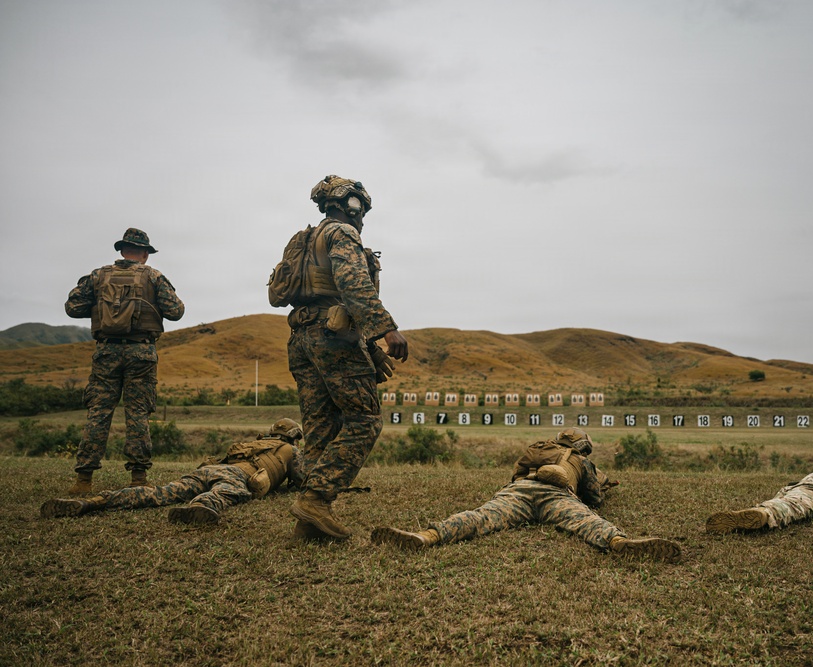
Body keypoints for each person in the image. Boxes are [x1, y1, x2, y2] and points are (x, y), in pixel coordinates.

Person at [273, 175, 408, 540]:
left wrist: (369, 348)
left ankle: (308, 522)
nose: (363, 215)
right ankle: (316, 498)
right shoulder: (342, 233)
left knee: (320, 428)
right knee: (364, 420)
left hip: (302, 338)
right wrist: (386, 328)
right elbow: (353, 284)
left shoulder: (302, 240)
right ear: (352, 205)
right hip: (333, 338)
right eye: (361, 208)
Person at [371, 428, 683, 562]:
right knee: (586, 520)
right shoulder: (582, 461)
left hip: (520, 491)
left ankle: (427, 537)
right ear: (582, 445)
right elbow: (593, 499)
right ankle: (619, 543)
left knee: (481, 518)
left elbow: (516, 472)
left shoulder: (539, 447)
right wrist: (602, 485)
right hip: (557, 495)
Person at [64, 228, 185, 494]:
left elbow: (72, 307)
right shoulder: (153, 276)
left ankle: (83, 480)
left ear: (121, 250)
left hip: (106, 352)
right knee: (138, 413)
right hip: (141, 353)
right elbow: (176, 311)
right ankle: (138, 478)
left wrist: (101, 305)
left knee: (98, 412)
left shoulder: (98, 276)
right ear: (144, 254)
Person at [40, 419, 305, 525]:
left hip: (210, 469)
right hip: (236, 476)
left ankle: (97, 501)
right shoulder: (290, 450)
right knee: (224, 493)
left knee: (161, 492)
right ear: (294, 436)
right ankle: (201, 506)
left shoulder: (257, 442)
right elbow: (302, 480)